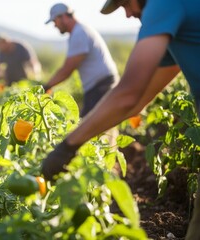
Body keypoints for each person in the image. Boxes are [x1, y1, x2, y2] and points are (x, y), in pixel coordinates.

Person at [40, 0, 200, 239]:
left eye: (126, 3)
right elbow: (138, 99)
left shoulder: (163, 4)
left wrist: (67, 146)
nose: (127, 14)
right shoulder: (176, 23)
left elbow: (128, 95)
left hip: (100, 86)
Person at [43, 3, 119, 118]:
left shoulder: (79, 33)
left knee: (87, 128)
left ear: (63, 17)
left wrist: (46, 86)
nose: (55, 25)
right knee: (99, 126)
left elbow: (68, 69)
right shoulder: (79, 31)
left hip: (100, 85)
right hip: (101, 84)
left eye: (55, 21)